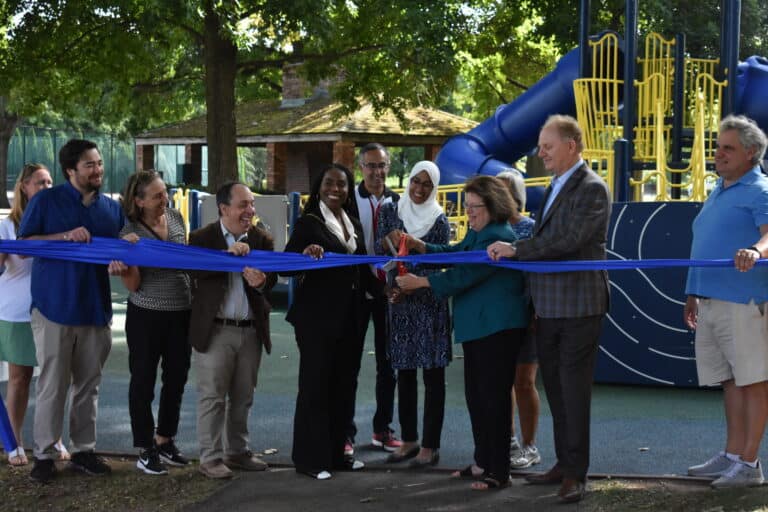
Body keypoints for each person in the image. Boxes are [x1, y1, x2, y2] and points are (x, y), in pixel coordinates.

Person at [488, 115, 611, 503]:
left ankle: (576, 474)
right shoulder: (558, 184)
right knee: (558, 391)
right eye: (540, 146)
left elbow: (571, 240)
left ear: (571, 146)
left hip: (578, 307)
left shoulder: (592, 187)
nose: (540, 153)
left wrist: (516, 250)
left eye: (547, 146)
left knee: (573, 393)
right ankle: (564, 464)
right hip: (552, 307)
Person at [397, 175, 528, 491]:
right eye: (466, 206)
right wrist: (424, 247)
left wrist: (423, 283)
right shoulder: (480, 231)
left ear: (493, 205)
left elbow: (466, 273)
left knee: (494, 400)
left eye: (474, 207)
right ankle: (483, 460)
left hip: (497, 329)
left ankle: (499, 471)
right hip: (478, 329)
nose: (468, 212)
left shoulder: (498, 235)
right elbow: (457, 252)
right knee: (477, 398)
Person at [18, 140, 129, 483]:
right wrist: (66, 236)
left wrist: (122, 256)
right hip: (54, 307)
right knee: (53, 384)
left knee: (88, 385)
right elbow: (23, 246)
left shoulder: (111, 209)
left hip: (95, 308)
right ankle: (45, 454)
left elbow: (124, 247)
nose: (98, 170)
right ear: (70, 171)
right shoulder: (46, 201)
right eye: (89, 165)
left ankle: (84, 450)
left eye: (98, 163)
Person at [684, 114, 768, 488]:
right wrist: (692, 292)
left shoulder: (761, 190)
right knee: (731, 382)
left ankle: (750, 465)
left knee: (753, 382)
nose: (719, 154)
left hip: (745, 300)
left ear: (751, 153)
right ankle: (733, 455)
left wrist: (754, 250)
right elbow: (702, 244)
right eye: (718, 147)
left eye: (728, 148)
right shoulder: (719, 189)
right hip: (711, 299)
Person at [284, 163, 370, 480]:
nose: (336, 189)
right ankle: (310, 459)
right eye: (329, 183)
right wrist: (305, 253)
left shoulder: (355, 224)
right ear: (320, 186)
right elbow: (287, 266)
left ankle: (338, 454)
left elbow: (360, 268)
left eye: (342, 184)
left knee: (344, 386)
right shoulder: (309, 223)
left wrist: (389, 287)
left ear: (349, 190)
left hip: (351, 318)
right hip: (317, 320)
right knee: (315, 386)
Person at [187, 181, 276, 480]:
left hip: (251, 330)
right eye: (243, 205)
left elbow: (271, 282)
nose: (250, 210)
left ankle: (237, 452)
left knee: (243, 396)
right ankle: (210, 458)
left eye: (251, 204)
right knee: (212, 396)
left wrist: (261, 282)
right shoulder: (201, 238)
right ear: (223, 208)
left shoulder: (262, 239)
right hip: (216, 330)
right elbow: (195, 271)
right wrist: (228, 256)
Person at [376, 161, 451, 468]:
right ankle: (409, 440)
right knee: (404, 373)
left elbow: (439, 261)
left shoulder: (440, 220)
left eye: (426, 185)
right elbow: (382, 254)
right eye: (415, 182)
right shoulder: (392, 212)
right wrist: (392, 288)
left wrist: (413, 284)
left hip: (429, 305)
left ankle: (430, 446)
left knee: (433, 378)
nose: (419, 189)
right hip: (400, 305)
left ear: (434, 188)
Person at [118, 170, 192, 475]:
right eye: (157, 195)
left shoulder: (175, 218)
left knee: (176, 378)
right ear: (139, 201)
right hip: (147, 315)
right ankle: (144, 447)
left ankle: (165, 439)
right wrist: (129, 257)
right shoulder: (129, 232)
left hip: (181, 312)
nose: (165, 199)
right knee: (143, 381)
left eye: (166, 192)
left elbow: (186, 259)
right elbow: (133, 285)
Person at [0, 164, 69, 467]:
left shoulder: (55, 223)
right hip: (15, 312)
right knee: (19, 378)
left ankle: (52, 438)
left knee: (53, 379)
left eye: (50, 182)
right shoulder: (7, 226)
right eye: (40, 182)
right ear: (24, 187)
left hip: (50, 307)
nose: (46, 187)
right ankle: (14, 442)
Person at [347, 143, 402, 455]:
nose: (377, 172)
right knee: (349, 364)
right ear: (360, 167)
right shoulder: (348, 200)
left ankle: (383, 429)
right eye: (370, 165)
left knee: (388, 365)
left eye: (381, 165)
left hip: (388, 293)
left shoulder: (398, 201)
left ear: (388, 166)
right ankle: (346, 433)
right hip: (356, 292)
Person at [496, 169, 541, 470]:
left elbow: (540, 270)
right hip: (500, 316)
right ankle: (508, 441)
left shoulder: (532, 229)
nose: (501, 198)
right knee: (502, 381)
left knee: (523, 382)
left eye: (506, 192)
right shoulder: (489, 228)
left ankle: (529, 445)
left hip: (528, 315)